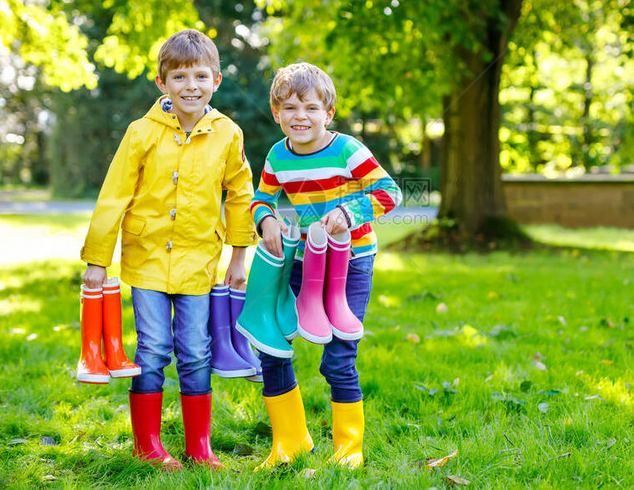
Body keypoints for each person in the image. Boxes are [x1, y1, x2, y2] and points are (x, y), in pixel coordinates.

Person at [79, 29, 256, 471]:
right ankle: (148, 446)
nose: (190, 86)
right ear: (162, 83)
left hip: (200, 262)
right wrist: (97, 261)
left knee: (196, 350)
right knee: (154, 349)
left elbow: (239, 193)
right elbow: (113, 194)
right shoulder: (141, 133)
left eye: (200, 76)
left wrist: (239, 254)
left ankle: (200, 446)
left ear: (216, 80)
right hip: (147, 260)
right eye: (179, 77)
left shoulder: (227, 134)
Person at [248, 62, 402, 468]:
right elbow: (261, 198)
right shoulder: (278, 155)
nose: (301, 117)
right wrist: (265, 219)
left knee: (338, 356)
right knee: (272, 345)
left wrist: (350, 214)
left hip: (350, 264)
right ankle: (289, 442)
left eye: (311, 108)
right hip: (302, 261)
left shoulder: (347, 149)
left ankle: (348, 450)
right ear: (276, 112)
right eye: (291, 108)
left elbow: (390, 193)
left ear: (328, 113)